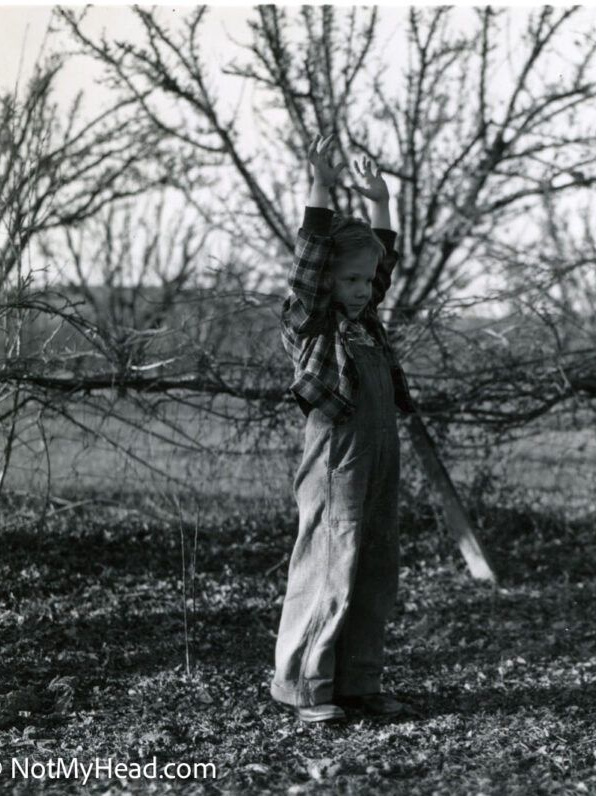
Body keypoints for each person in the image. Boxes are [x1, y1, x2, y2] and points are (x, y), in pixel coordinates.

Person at [271, 133, 415, 724]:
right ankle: (306, 683)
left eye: (366, 282)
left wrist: (380, 202)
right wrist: (322, 189)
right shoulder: (310, 321)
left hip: (379, 455)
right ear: (326, 281)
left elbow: (381, 261)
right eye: (350, 281)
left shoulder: (366, 320)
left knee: (374, 563)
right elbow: (310, 257)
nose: (362, 290)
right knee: (331, 558)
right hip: (337, 459)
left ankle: (356, 681)